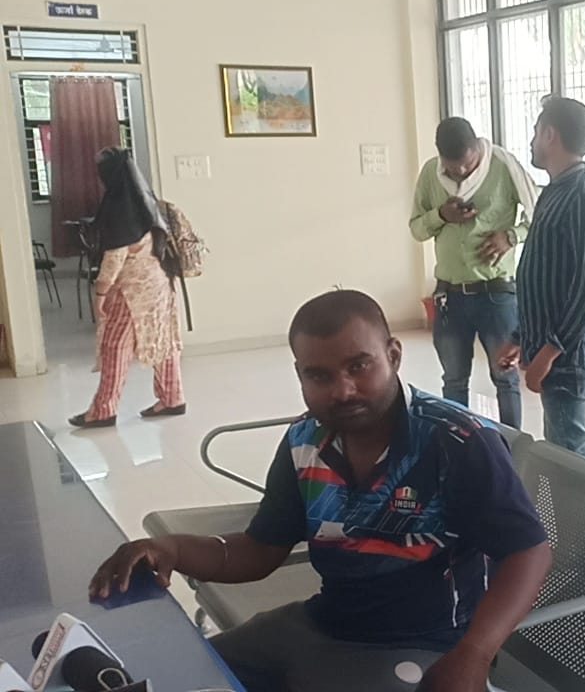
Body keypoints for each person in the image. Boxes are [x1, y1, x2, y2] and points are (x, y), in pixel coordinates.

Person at [89, 290, 552, 692]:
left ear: (393, 355)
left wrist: (475, 653)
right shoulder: (304, 441)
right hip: (324, 623)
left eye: (359, 366)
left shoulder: (457, 441)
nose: (343, 391)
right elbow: (258, 550)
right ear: (300, 375)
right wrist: (170, 549)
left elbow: (528, 551)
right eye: (320, 376)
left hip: (428, 644)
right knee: (177, 675)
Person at [498, 97, 585, 461]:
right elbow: (547, 275)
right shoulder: (555, 193)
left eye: (536, 132)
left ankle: (582, 503)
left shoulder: (583, 197)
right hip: (553, 345)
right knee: (564, 450)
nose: (532, 141)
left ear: (550, 135)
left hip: (569, 353)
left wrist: (549, 352)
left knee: (572, 455)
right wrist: (521, 336)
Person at [410, 117, 538, 428]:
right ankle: (460, 444)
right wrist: (441, 215)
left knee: (505, 377)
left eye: (467, 165)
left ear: (476, 148)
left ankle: (510, 447)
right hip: (450, 296)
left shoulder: (503, 167)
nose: (461, 172)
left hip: (497, 293)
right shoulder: (430, 173)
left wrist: (510, 237)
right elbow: (417, 228)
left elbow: (539, 216)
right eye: (452, 168)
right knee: (454, 379)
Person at [69, 148, 185, 428]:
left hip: (130, 292)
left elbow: (115, 259)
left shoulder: (120, 209)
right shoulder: (147, 201)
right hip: (160, 285)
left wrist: (100, 293)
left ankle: (103, 410)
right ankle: (172, 397)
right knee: (163, 341)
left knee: (115, 348)